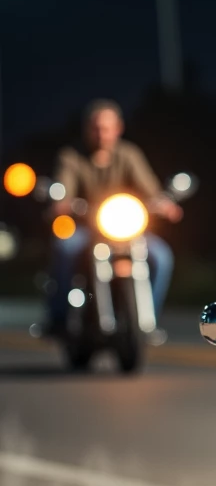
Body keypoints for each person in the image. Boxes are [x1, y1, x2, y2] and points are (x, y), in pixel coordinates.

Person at [47, 99, 181, 333]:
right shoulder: (71, 157)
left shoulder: (129, 154)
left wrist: (164, 203)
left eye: (106, 128)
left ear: (118, 128)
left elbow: (151, 189)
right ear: (87, 129)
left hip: (126, 229)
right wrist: (61, 201)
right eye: (96, 128)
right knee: (64, 248)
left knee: (161, 257)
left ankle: (148, 320)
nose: (101, 134)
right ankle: (58, 317)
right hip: (88, 229)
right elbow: (63, 189)